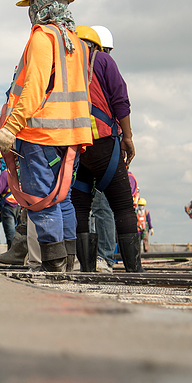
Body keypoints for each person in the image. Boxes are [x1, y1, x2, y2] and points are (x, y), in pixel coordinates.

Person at [0, 0, 92, 273]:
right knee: (63, 201)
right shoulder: (76, 42)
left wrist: (11, 127)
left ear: (41, 4)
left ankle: (53, 269)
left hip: (41, 134)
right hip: (73, 138)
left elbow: (34, 86)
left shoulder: (42, 37)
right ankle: (68, 266)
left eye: (31, 5)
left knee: (42, 201)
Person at [70, 25, 143, 273]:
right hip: (101, 142)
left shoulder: (61, 65)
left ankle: (87, 268)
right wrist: (128, 137)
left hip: (73, 145)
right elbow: (120, 100)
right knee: (122, 204)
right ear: (96, 45)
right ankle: (134, 269)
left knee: (80, 206)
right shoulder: (101, 60)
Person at [88, 25, 118, 272]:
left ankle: (104, 257)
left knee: (100, 204)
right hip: (92, 143)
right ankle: (95, 257)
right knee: (92, 205)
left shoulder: (103, 68)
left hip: (103, 142)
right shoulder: (98, 69)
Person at [0, 149, 21, 253]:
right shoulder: (19, 172)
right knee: (18, 232)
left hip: (8, 206)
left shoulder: (5, 173)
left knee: (10, 234)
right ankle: (18, 254)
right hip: (19, 205)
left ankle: (12, 253)